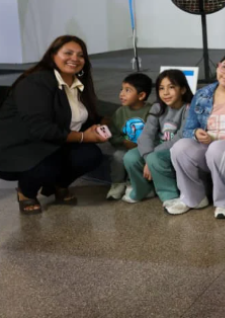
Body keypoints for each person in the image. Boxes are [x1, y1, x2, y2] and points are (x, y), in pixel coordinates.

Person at [0, 35, 107, 213]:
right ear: (52, 55)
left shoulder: (77, 83)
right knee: (48, 163)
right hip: (22, 147)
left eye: (80, 55)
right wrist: (83, 136)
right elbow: (41, 129)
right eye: (68, 53)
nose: (75, 58)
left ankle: (57, 184)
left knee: (91, 155)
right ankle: (26, 192)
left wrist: (106, 123)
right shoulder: (36, 82)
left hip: (54, 143)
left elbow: (79, 115)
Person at [167, 52, 225, 217]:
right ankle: (193, 198)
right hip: (209, 150)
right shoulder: (202, 94)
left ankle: (224, 202)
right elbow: (188, 129)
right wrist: (196, 133)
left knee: (217, 148)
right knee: (179, 147)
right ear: (218, 66)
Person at [122, 69, 192, 204]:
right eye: (161, 88)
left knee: (154, 158)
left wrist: (152, 156)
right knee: (130, 157)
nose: (165, 93)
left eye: (171, 87)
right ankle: (143, 190)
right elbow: (146, 135)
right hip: (156, 150)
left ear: (183, 89)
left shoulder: (188, 109)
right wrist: (148, 157)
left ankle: (170, 197)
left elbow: (181, 137)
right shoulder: (157, 107)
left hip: (176, 150)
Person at [104, 73, 153, 200]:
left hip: (145, 149)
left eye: (127, 90)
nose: (122, 94)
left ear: (141, 95)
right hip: (126, 147)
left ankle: (134, 183)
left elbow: (154, 133)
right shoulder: (120, 112)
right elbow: (113, 134)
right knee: (118, 156)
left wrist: (141, 145)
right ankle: (118, 184)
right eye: (122, 89)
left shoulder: (151, 111)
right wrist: (122, 142)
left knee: (136, 158)